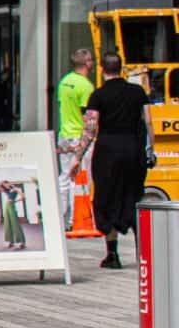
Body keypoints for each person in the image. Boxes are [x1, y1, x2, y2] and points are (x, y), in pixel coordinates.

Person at [86, 53, 152, 269]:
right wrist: (150, 148)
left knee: (107, 197)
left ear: (102, 68)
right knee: (133, 195)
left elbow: (91, 128)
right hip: (132, 148)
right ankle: (142, 251)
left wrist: (78, 155)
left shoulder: (98, 95)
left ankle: (112, 254)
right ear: (121, 68)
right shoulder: (138, 92)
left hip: (107, 150)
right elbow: (148, 122)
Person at [56, 48, 96, 232]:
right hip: (79, 138)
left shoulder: (64, 82)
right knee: (79, 179)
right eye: (91, 60)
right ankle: (76, 220)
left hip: (64, 135)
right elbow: (87, 115)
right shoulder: (86, 86)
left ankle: (60, 218)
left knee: (64, 177)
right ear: (86, 63)